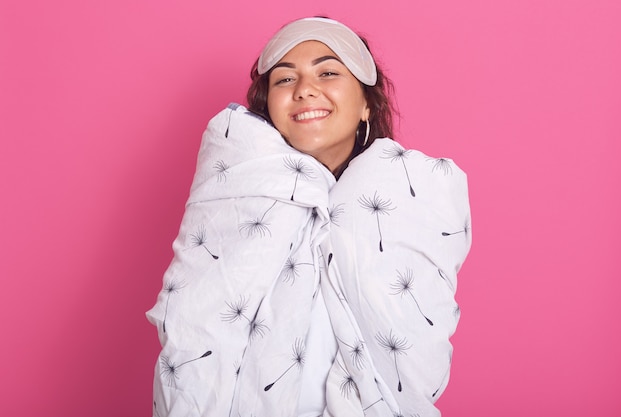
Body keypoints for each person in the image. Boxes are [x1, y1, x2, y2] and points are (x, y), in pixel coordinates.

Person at [147, 17, 471, 417]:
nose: (304, 90)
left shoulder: (411, 196)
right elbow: (194, 329)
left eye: (329, 72)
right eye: (284, 80)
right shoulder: (236, 192)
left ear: (366, 102)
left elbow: (418, 354)